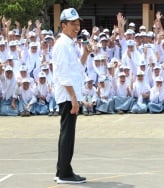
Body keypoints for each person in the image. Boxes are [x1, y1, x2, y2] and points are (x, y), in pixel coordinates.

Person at [52, 8, 90, 184]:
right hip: (68, 96)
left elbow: (76, 70)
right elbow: (63, 74)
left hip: (71, 94)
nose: (77, 27)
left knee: (67, 133)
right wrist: (74, 98)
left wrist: (86, 53)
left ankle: (63, 169)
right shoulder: (61, 45)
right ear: (63, 25)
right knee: (67, 134)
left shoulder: (70, 44)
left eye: (78, 24)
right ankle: (64, 173)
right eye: (73, 24)